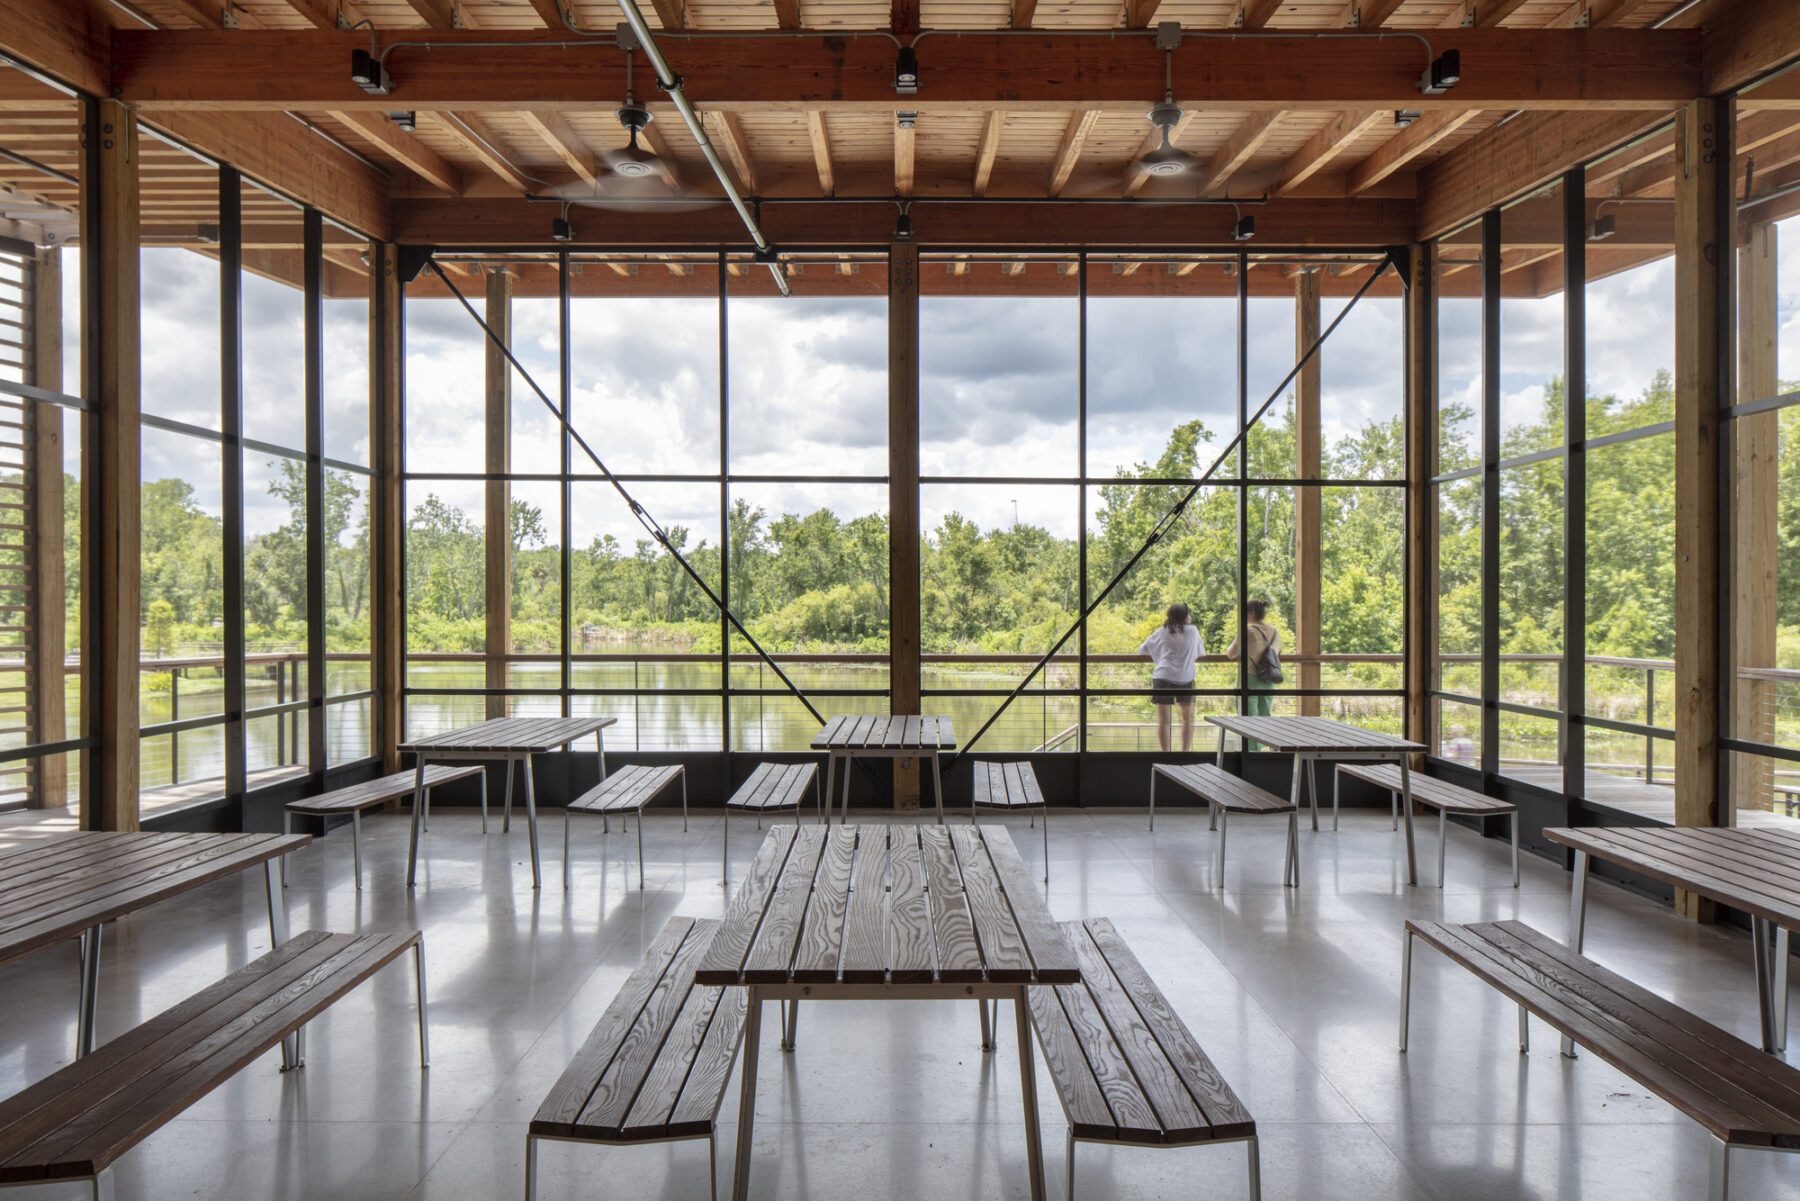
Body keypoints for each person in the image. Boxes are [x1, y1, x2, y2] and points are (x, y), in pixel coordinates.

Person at [1139, 603, 1203, 753]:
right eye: (1189, 614)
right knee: (1188, 720)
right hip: (1186, 678)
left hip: (1163, 677)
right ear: (1185, 616)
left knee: (1164, 721)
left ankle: (1165, 754)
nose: (1190, 617)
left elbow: (1142, 649)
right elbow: (1199, 652)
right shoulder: (1193, 631)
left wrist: (1161, 653)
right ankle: (1184, 754)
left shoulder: (1162, 632)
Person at [1226, 600, 1282, 750]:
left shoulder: (1248, 632)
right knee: (1265, 714)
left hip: (1250, 677)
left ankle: (1252, 753)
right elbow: (1278, 653)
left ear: (1251, 613)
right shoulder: (1275, 632)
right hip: (1269, 677)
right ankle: (1267, 750)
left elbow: (1231, 653)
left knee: (1250, 717)